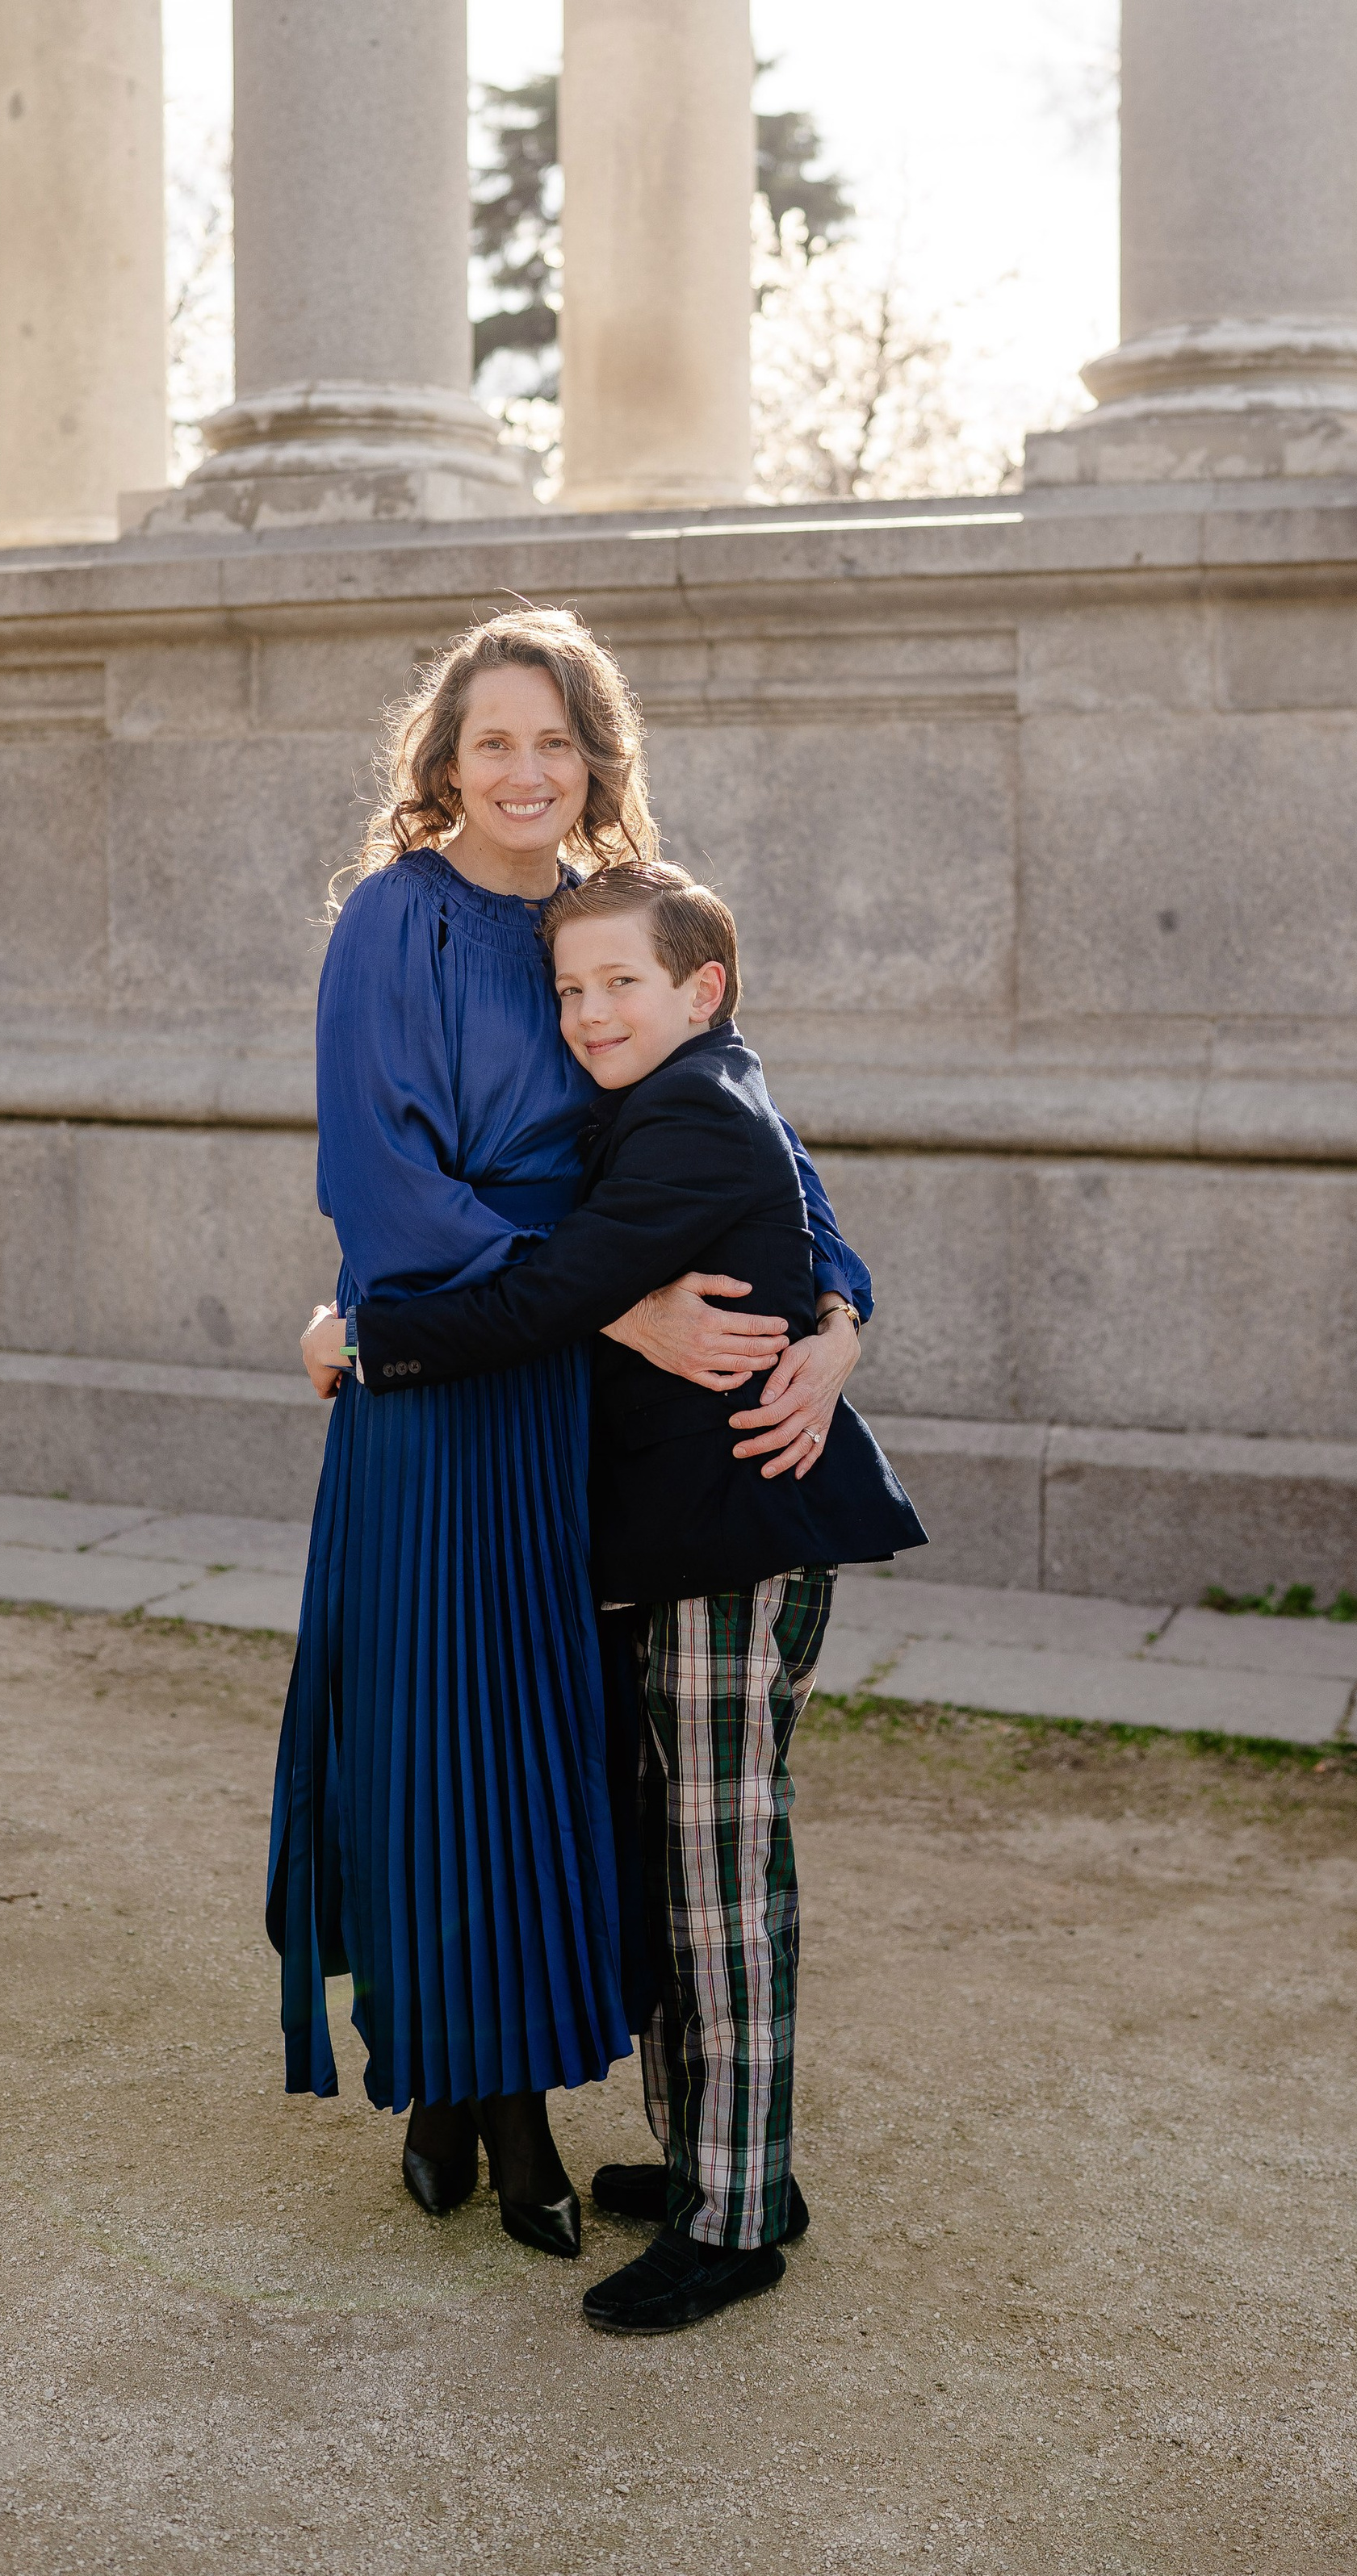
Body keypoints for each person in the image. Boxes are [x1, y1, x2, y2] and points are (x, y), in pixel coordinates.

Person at [267, 608, 873, 2263]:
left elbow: (767, 1152)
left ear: (597, 762)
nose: (524, 772)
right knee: (430, 1747)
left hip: (589, 1432)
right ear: (443, 764)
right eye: (491, 743)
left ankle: (505, 2081)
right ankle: (475, 2103)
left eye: (554, 742)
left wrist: (837, 1321)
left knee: (548, 1771)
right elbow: (386, 1191)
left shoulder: (619, 922)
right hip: (449, 1384)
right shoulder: (390, 924)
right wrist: (612, 1308)